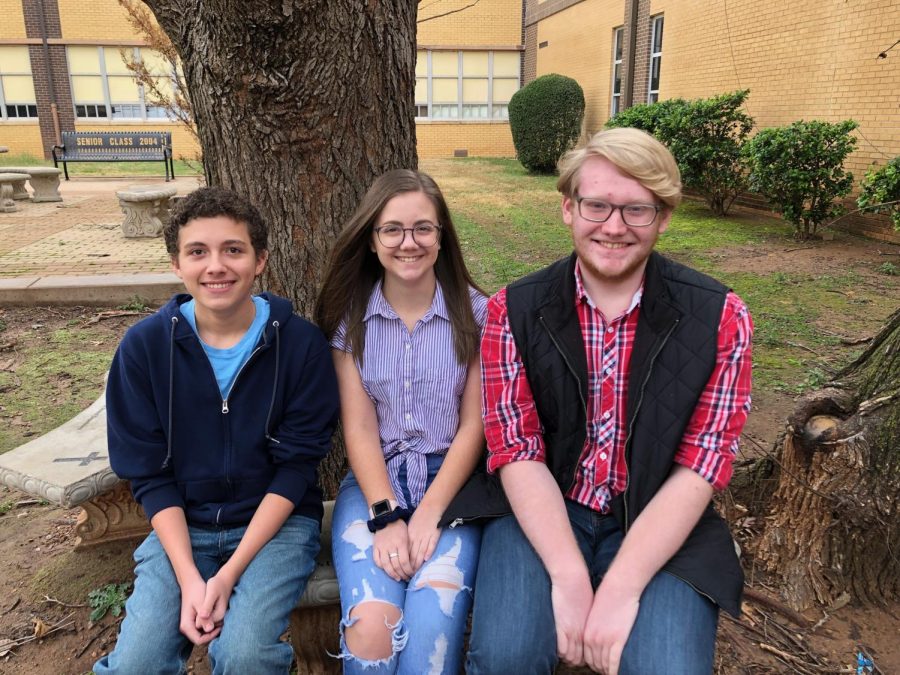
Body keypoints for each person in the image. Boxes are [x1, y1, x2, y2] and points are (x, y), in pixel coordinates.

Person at [466, 127, 753, 675]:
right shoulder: (511, 311)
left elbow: (702, 465)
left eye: (637, 210)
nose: (614, 227)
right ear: (568, 208)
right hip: (545, 509)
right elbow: (516, 448)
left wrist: (621, 588)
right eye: (597, 205)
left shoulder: (723, 317)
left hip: (658, 513)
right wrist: (570, 578)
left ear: (664, 217)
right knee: (505, 657)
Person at [94, 186, 339, 675]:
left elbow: (295, 470)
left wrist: (226, 576)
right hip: (182, 525)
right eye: (197, 252)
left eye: (233, 249)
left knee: (246, 656)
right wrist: (189, 577)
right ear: (176, 264)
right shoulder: (143, 349)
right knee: (137, 663)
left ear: (260, 260)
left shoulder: (301, 346)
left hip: (276, 528)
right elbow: (148, 474)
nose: (216, 266)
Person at [315, 169, 487, 674]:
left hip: (452, 488)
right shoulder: (351, 321)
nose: (408, 242)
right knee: (371, 632)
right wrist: (387, 515)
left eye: (423, 229)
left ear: (441, 237)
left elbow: (473, 427)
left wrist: (430, 512)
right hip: (375, 483)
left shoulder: (478, 316)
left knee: (430, 634)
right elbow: (360, 430)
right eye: (392, 229)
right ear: (372, 240)